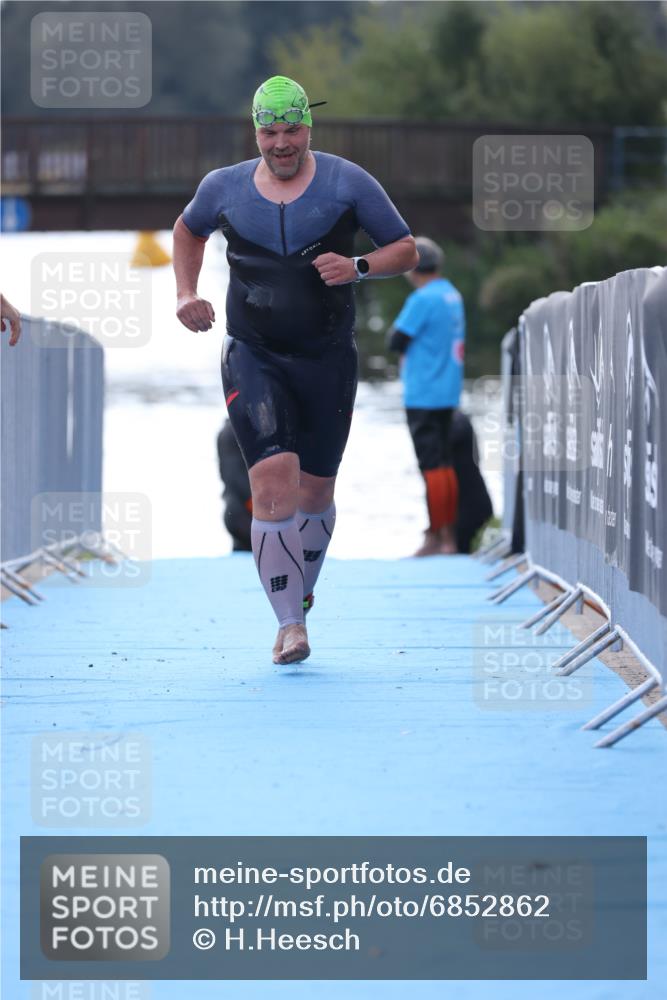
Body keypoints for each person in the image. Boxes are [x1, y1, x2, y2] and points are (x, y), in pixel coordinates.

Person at [173, 75, 417, 664]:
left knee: (316, 492)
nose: (281, 143)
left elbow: (404, 248)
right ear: (255, 131)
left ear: (309, 126)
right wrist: (186, 293)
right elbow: (188, 231)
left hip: (327, 356)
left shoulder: (346, 181)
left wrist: (359, 264)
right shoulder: (223, 187)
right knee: (272, 480)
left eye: (291, 130)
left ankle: (298, 596)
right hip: (252, 353)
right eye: (269, 131)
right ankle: (290, 626)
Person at [388, 237, 465, 556]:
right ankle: (448, 535)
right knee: (444, 463)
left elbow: (396, 340)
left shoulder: (423, 299)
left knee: (431, 466)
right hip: (448, 389)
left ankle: (437, 535)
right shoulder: (451, 294)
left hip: (423, 391)